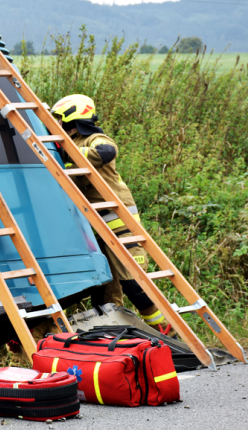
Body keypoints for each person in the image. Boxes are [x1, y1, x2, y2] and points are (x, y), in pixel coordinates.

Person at [50, 94, 170, 333]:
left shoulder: (95, 139)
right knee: (105, 286)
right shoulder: (65, 144)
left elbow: (106, 151)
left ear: (71, 118)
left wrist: (67, 153)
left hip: (118, 219)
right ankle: (116, 333)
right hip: (94, 224)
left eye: (59, 120)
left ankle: (167, 331)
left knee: (133, 282)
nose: (57, 125)